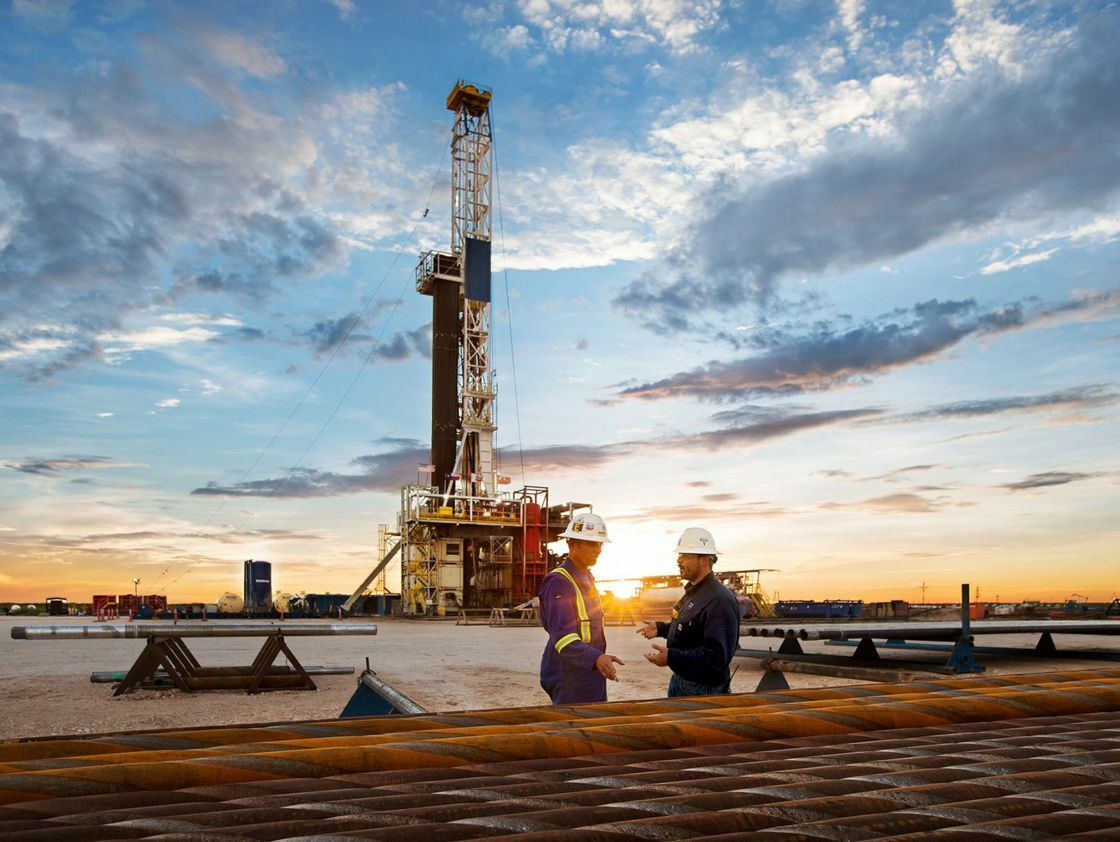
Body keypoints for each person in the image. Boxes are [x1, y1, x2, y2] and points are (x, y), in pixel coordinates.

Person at [638, 527, 741, 697]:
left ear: (704, 560)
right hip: (683, 681)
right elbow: (691, 628)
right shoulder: (695, 592)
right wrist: (662, 628)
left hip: (702, 690)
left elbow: (715, 657)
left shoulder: (718, 600)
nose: (679, 560)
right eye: (680, 555)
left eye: (686, 556)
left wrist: (671, 658)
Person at [539, 512, 625, 704]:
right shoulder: (559, 582)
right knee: (576, 723)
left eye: (600, 544)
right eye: (592, 544)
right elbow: (562, 637)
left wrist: (598, 659)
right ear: (571, 544)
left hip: (590, 671)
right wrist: (595, 658)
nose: (598, 550)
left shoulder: (587, 577)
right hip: (570, 676)